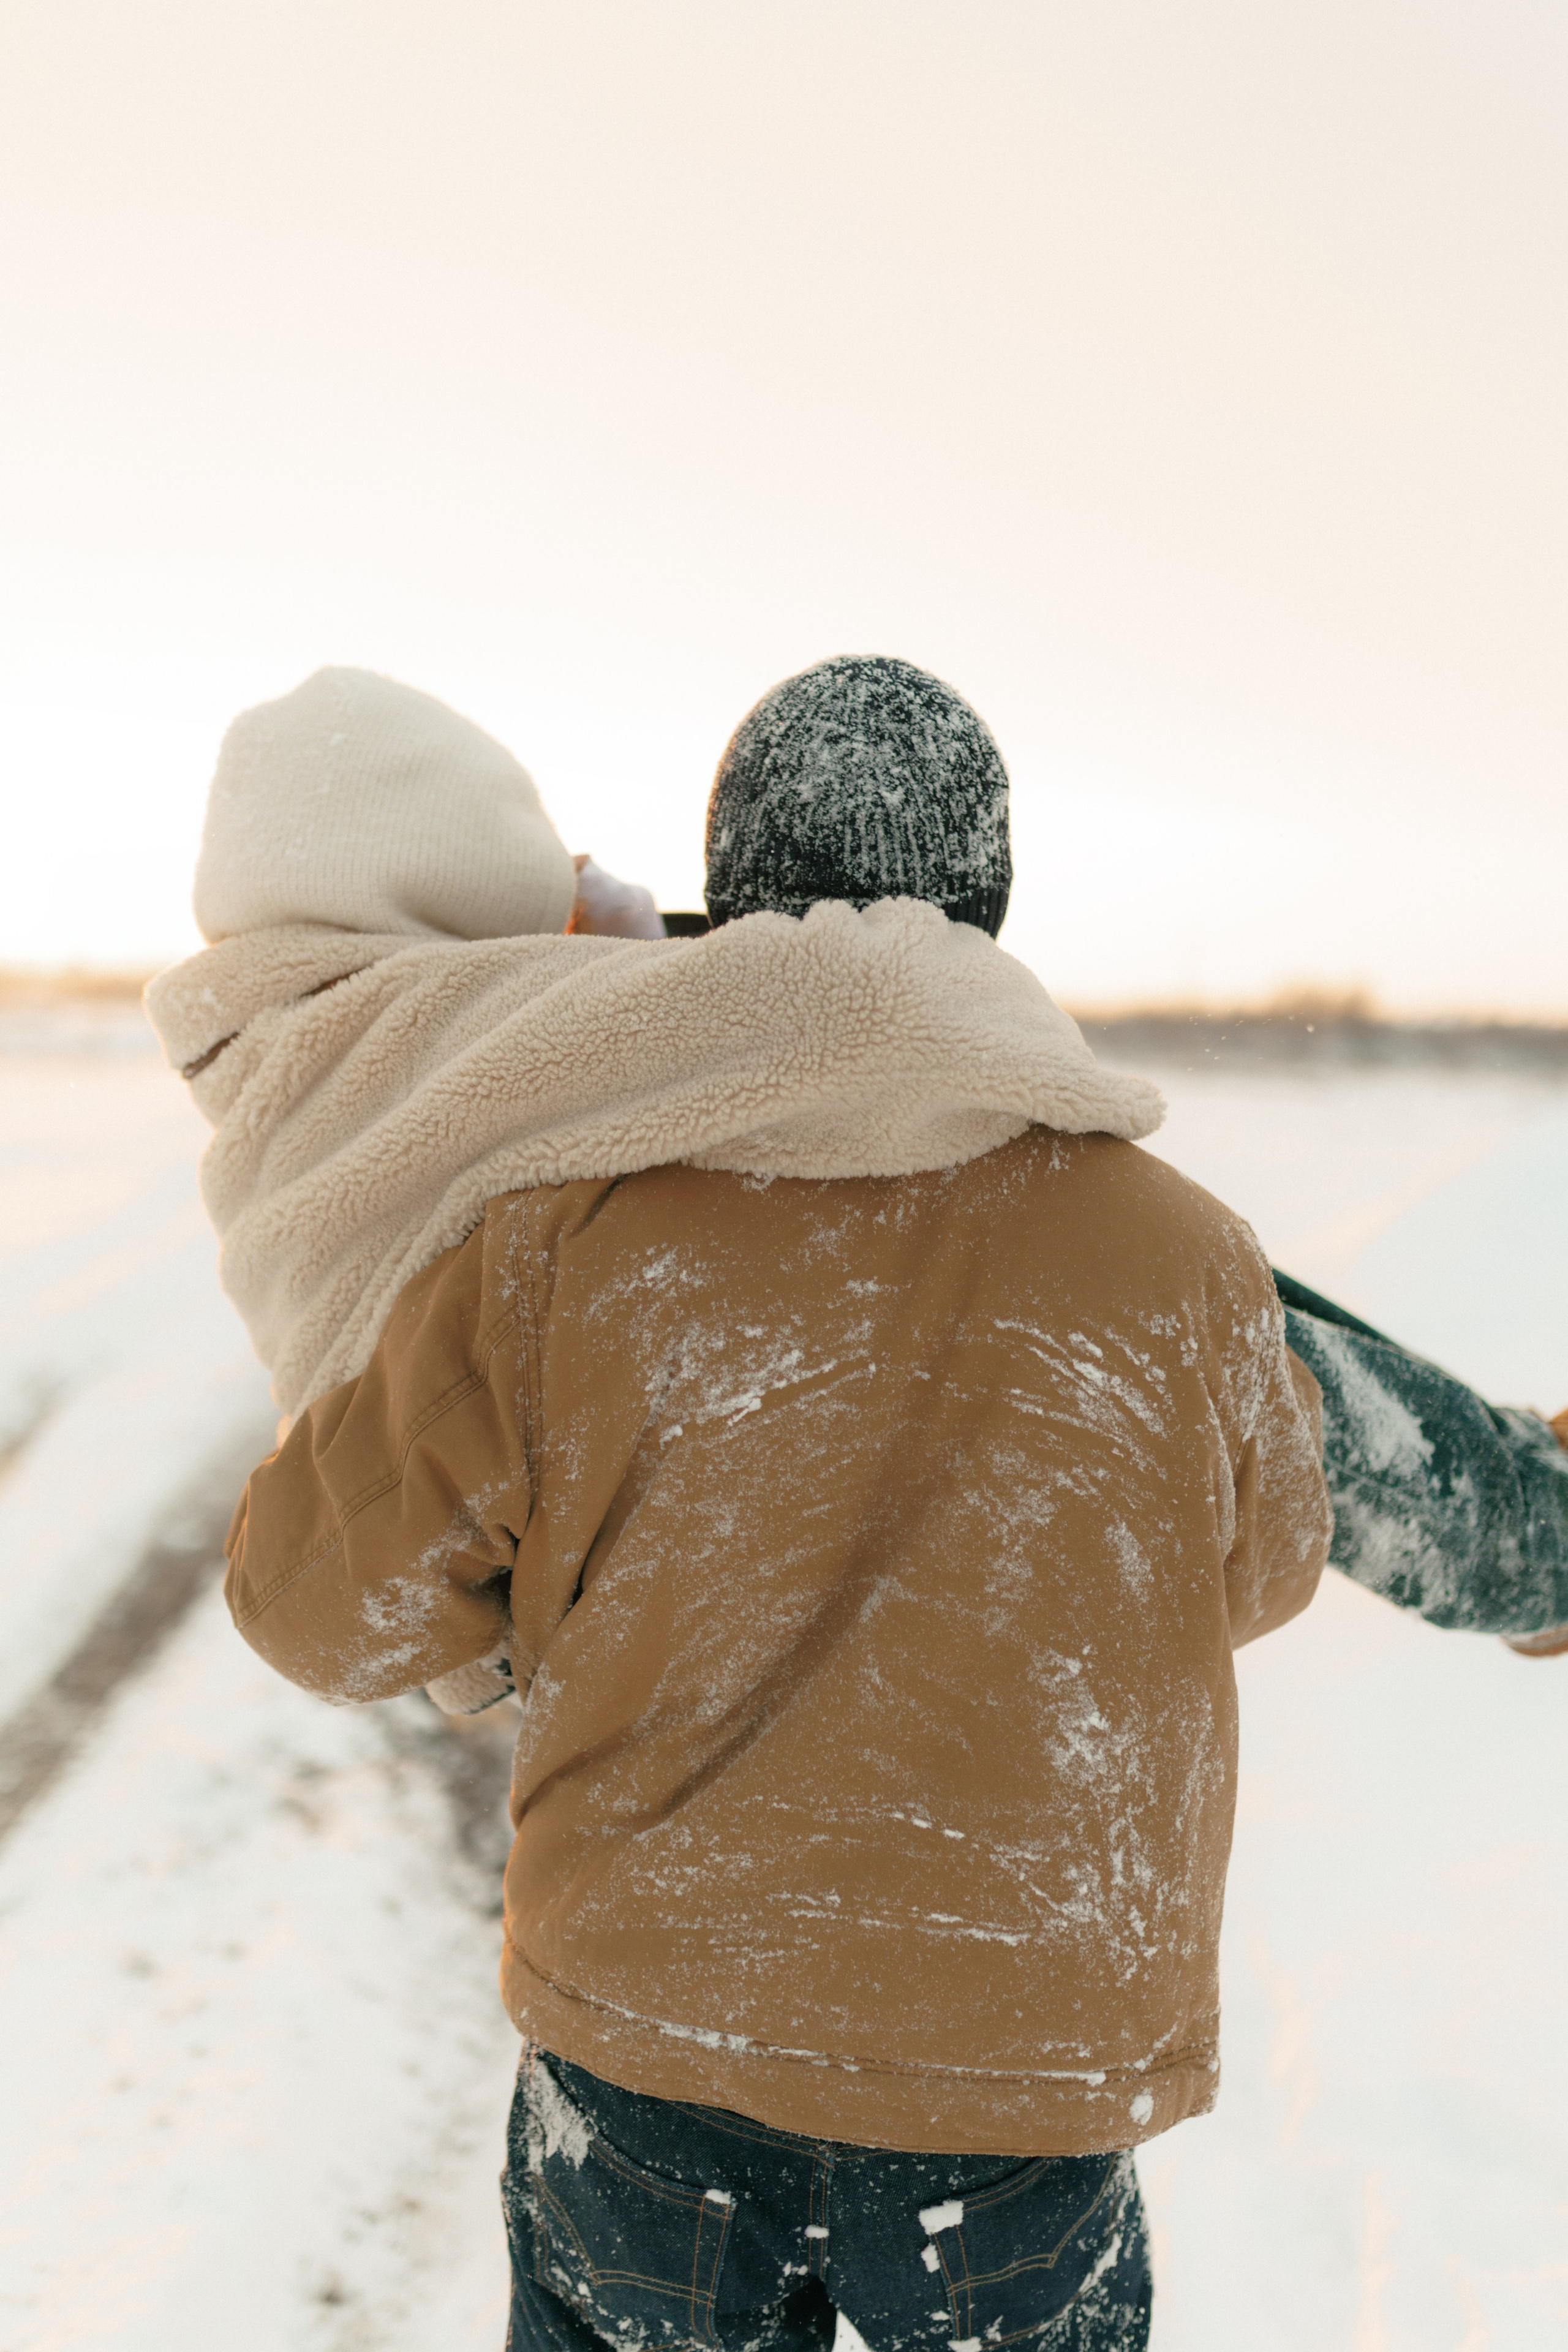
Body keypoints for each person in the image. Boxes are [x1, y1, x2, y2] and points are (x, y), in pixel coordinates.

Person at [199, 655, 1340, 2350]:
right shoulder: (1190, 1259)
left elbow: (319, 1612)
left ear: (725, 893)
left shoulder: (566, 1239)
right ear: (997, 893)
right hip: (1024, 2087)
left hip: (655, 2071)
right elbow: (1259, 1570)